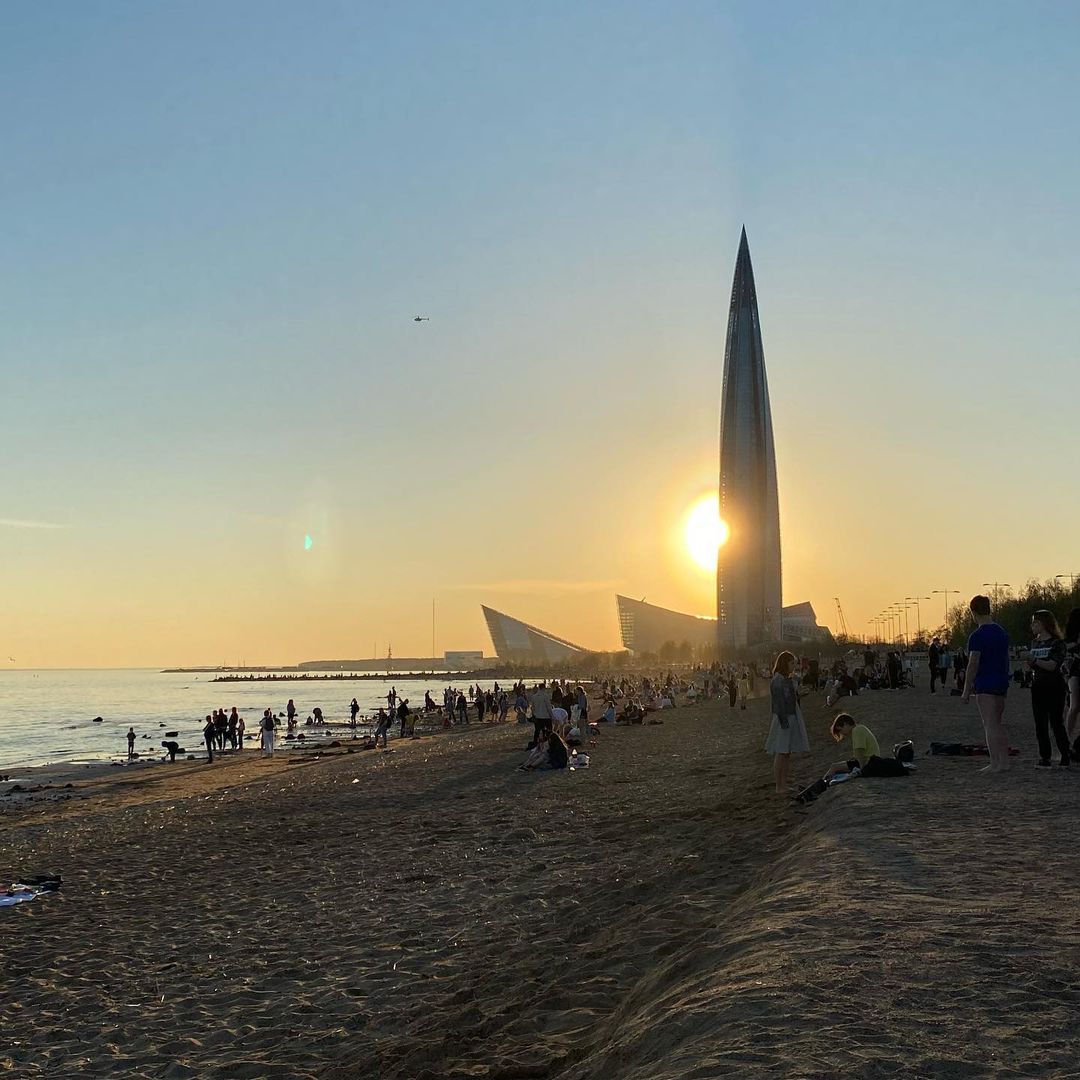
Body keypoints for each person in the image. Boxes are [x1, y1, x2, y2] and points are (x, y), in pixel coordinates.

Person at [961, 595, 1010, 773]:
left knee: (989, 724)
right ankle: (1004, 761)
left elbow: (973, 663)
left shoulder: (977, 636)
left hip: (985, 683)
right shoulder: (1001, 632)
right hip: (1001, 681)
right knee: (998, 723)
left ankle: (995, 762)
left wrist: (966, 690)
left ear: (973, 612)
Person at [1026, 609, 1070, 768]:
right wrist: (1030, 664)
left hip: (1054, 686)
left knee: (1056, 722)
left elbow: (1053, 665)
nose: (1032, 626)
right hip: (1037, 685)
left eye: (1035, 623)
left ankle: (1065, 754)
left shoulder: (1057, 643)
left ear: (1043, 624)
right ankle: (1045, 757)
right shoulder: (1035, 643)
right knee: (1040, 723)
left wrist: (1035, 661)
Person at [766, 651, 809, 793]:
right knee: (781, 752)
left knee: (786, 752)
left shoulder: (785, 679)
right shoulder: (778, 680)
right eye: (791, 663)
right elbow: (779, 703)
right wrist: (784, 721)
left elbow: (789, 698)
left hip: (789, 715)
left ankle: (783, 784)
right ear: (785, 663)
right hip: (783, 717)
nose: (793, 666)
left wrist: (799, 695)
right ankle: (779, 786)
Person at [1064, 608, 1080, 763]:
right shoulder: (1071, 637)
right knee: (1074, 706)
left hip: (1074, 670)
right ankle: (1066, 740)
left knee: (1074, 706)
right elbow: (1067, 649)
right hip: (1075, 670)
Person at [529, 682, 554, 747]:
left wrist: (534, 714)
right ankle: (549, 743)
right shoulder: (545, 696)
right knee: (549, 731)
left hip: (537, 716)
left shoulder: (534, 696)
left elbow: (532, 708)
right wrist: (552, 716)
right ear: (544, 688)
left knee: (537, 731)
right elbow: (549, 707)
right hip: (546, 716)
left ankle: (535, 743)